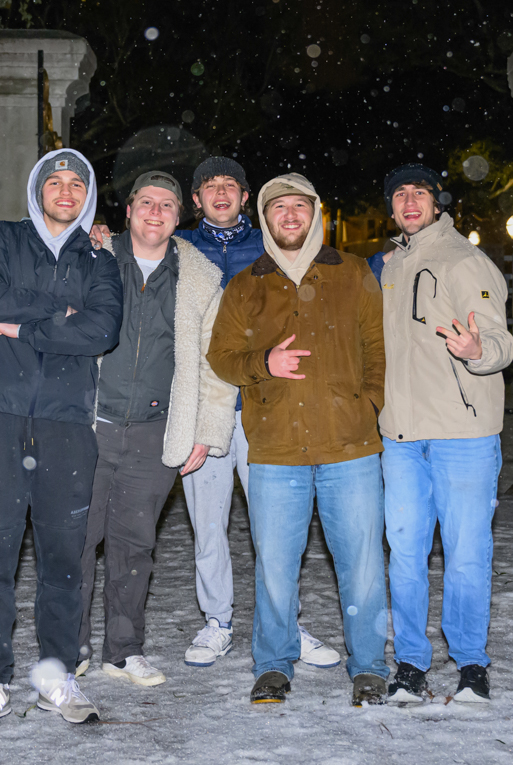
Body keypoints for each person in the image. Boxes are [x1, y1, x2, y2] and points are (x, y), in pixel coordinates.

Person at [92, 157, 341, 671]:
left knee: (276, 525)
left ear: (246, 197)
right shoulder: (182, 252)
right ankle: (217, 620)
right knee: (208, 524)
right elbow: (128, 251)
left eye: (231, 184)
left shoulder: (271, 248)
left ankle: (285, 622)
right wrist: (98, 235)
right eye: (209, 187)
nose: (221, 193)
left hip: (264, 407)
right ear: (196, 202)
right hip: (200, 407)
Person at [206, 173, 389, 706]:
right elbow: (220, 357)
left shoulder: (353, 273)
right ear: (264, 218)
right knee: (275, 566)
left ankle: (370, 667)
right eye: (277, 207)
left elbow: (377, 350)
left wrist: (367, 404)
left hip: (350, 447)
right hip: (276, 450)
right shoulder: (247, 284)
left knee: (361, 564)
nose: (289, 215)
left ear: (317, 213)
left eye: (299, 206)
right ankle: (273, 664)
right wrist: (264, 362)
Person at [0, 148, 122, 728]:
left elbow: (103, 329)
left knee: (63, 560)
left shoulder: (99, 256)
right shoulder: (3, 238)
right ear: (37, 190)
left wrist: (26, 325)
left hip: (65, 424)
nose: (65, 190)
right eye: (54, 181)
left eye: (77, 183)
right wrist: (62, 313)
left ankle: (58, 677)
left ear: (89, 196)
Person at [77, 170, 237, 688]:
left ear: (179, 215)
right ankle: (70, 644)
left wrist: (206, 430)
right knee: (76, 540)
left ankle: (123, 650)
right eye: (145, 202)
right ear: (127, 211)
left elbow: (214, 364)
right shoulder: (93, 256)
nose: (154, 212)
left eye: (166, 205)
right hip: (89, 425)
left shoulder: (200, 276)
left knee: (134, 544)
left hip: (155, 431)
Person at [376, 163, 513, 706]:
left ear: (438, 202)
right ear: (391, 207)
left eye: (420, 193)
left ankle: (471, 664)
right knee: (405, 555)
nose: (409, 202)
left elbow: (500, 340)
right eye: (399, 194)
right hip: (402, 437)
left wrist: (479, 352)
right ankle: (410, 663)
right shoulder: (389, 265)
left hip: (463, 434)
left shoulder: (464, 260)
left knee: (465, 555)